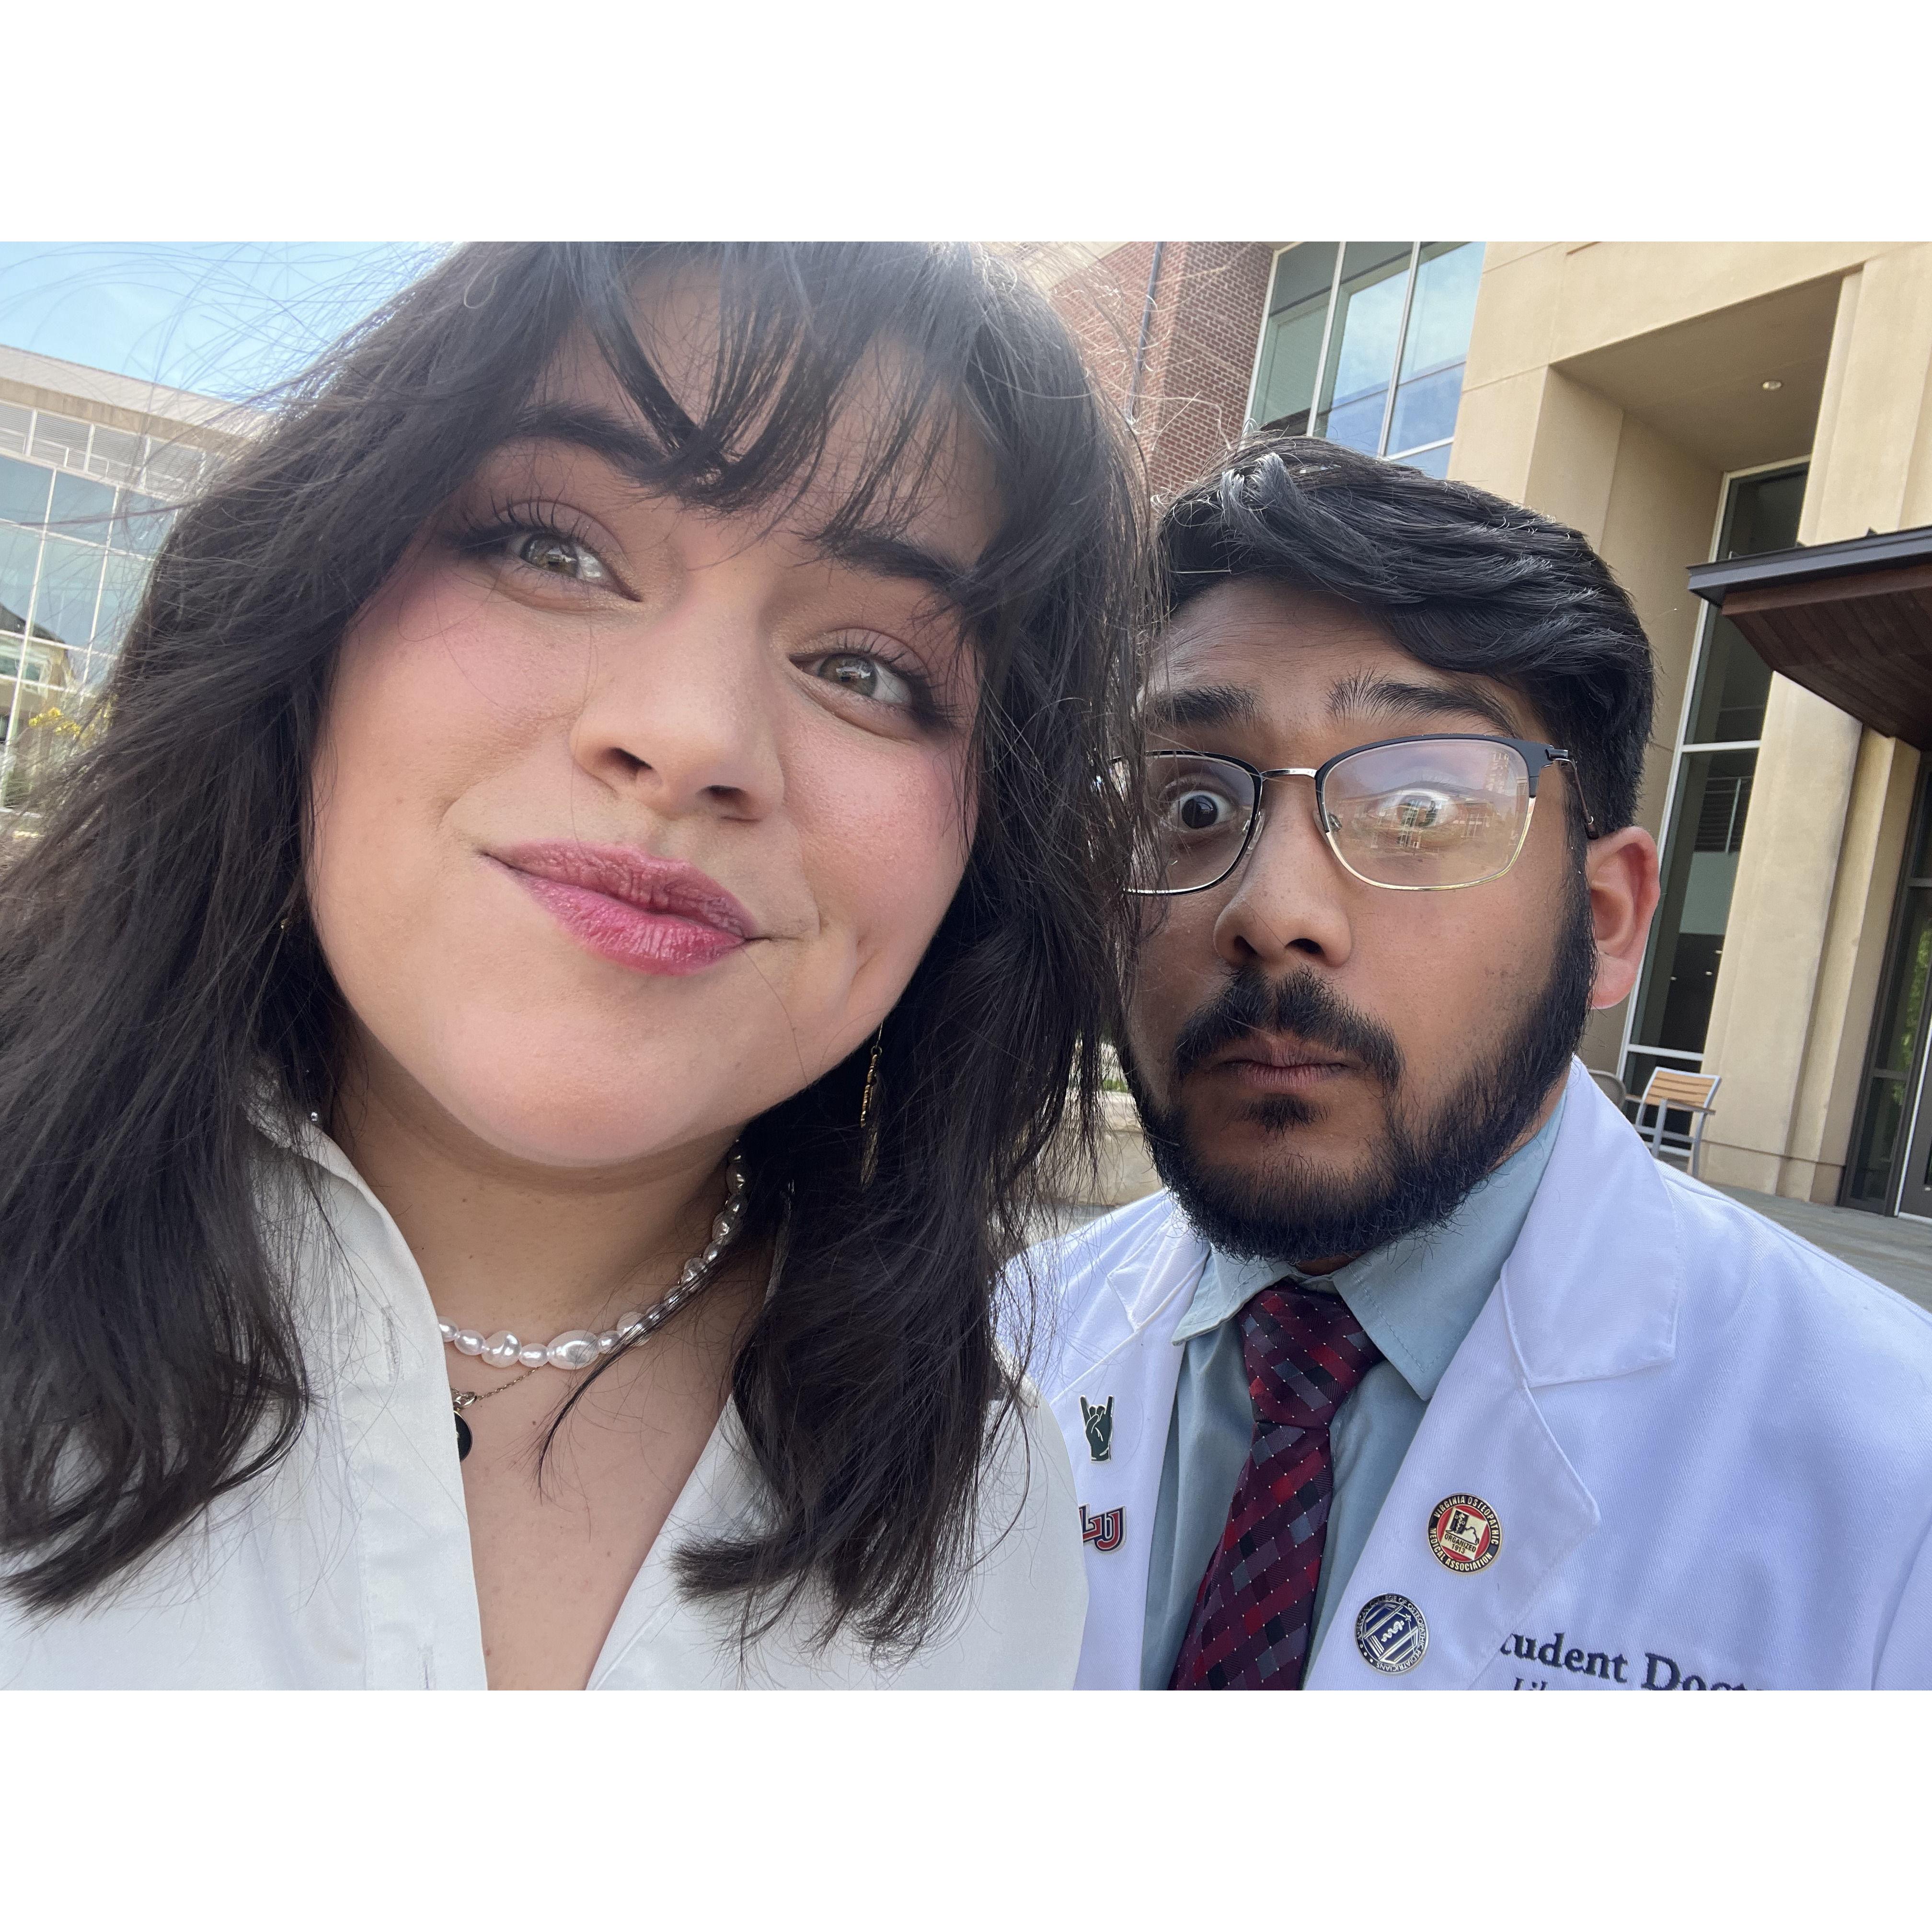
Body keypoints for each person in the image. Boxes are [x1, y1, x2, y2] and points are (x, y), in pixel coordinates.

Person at [0, 242, 1144, 1689]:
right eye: (554, 549)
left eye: (867, 669)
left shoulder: (991, 1508)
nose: (692, 737)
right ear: (312, 614)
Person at [1032, 434, 1932, 1690]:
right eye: (1191, 806)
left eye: (1419, 810)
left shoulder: (1895, 1477)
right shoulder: (991, 1350)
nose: (1275, 908)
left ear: (1605, 923)